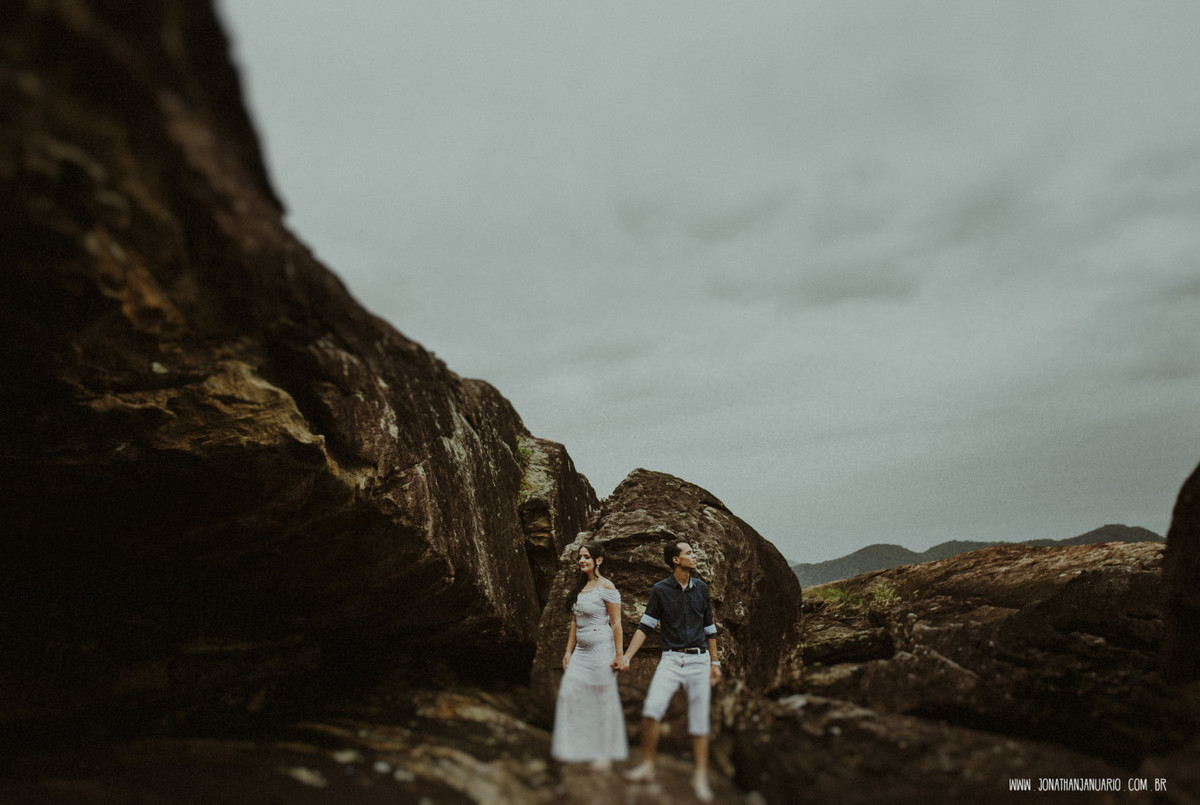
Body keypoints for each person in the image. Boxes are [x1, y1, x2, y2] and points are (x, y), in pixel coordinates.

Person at [620, 541, 720, 802]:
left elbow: (710, 629)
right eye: (689, 553)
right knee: (652, 709)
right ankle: (647, 766)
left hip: (699, 661)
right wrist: (627, 656)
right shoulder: (660, 590)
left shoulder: (702, 589)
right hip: (671, 660)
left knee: (699, 720)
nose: (694, 555)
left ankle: (699, 776)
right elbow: (645, 626)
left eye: (692, 551)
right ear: (676, 560)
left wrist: (715, 663)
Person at [550, 541, 630, 770]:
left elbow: (616, 623)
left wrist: (618, 654)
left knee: (602, 698)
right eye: (580, 557)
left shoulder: (607, 587)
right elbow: (574, 622)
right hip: (581, 652)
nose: (582, 561)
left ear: (598, 560)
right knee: (569, 693)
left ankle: (603, 752)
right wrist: (568, 651)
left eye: (586, 557)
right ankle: (572, 748)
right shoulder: (580, 588)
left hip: (601, 649)